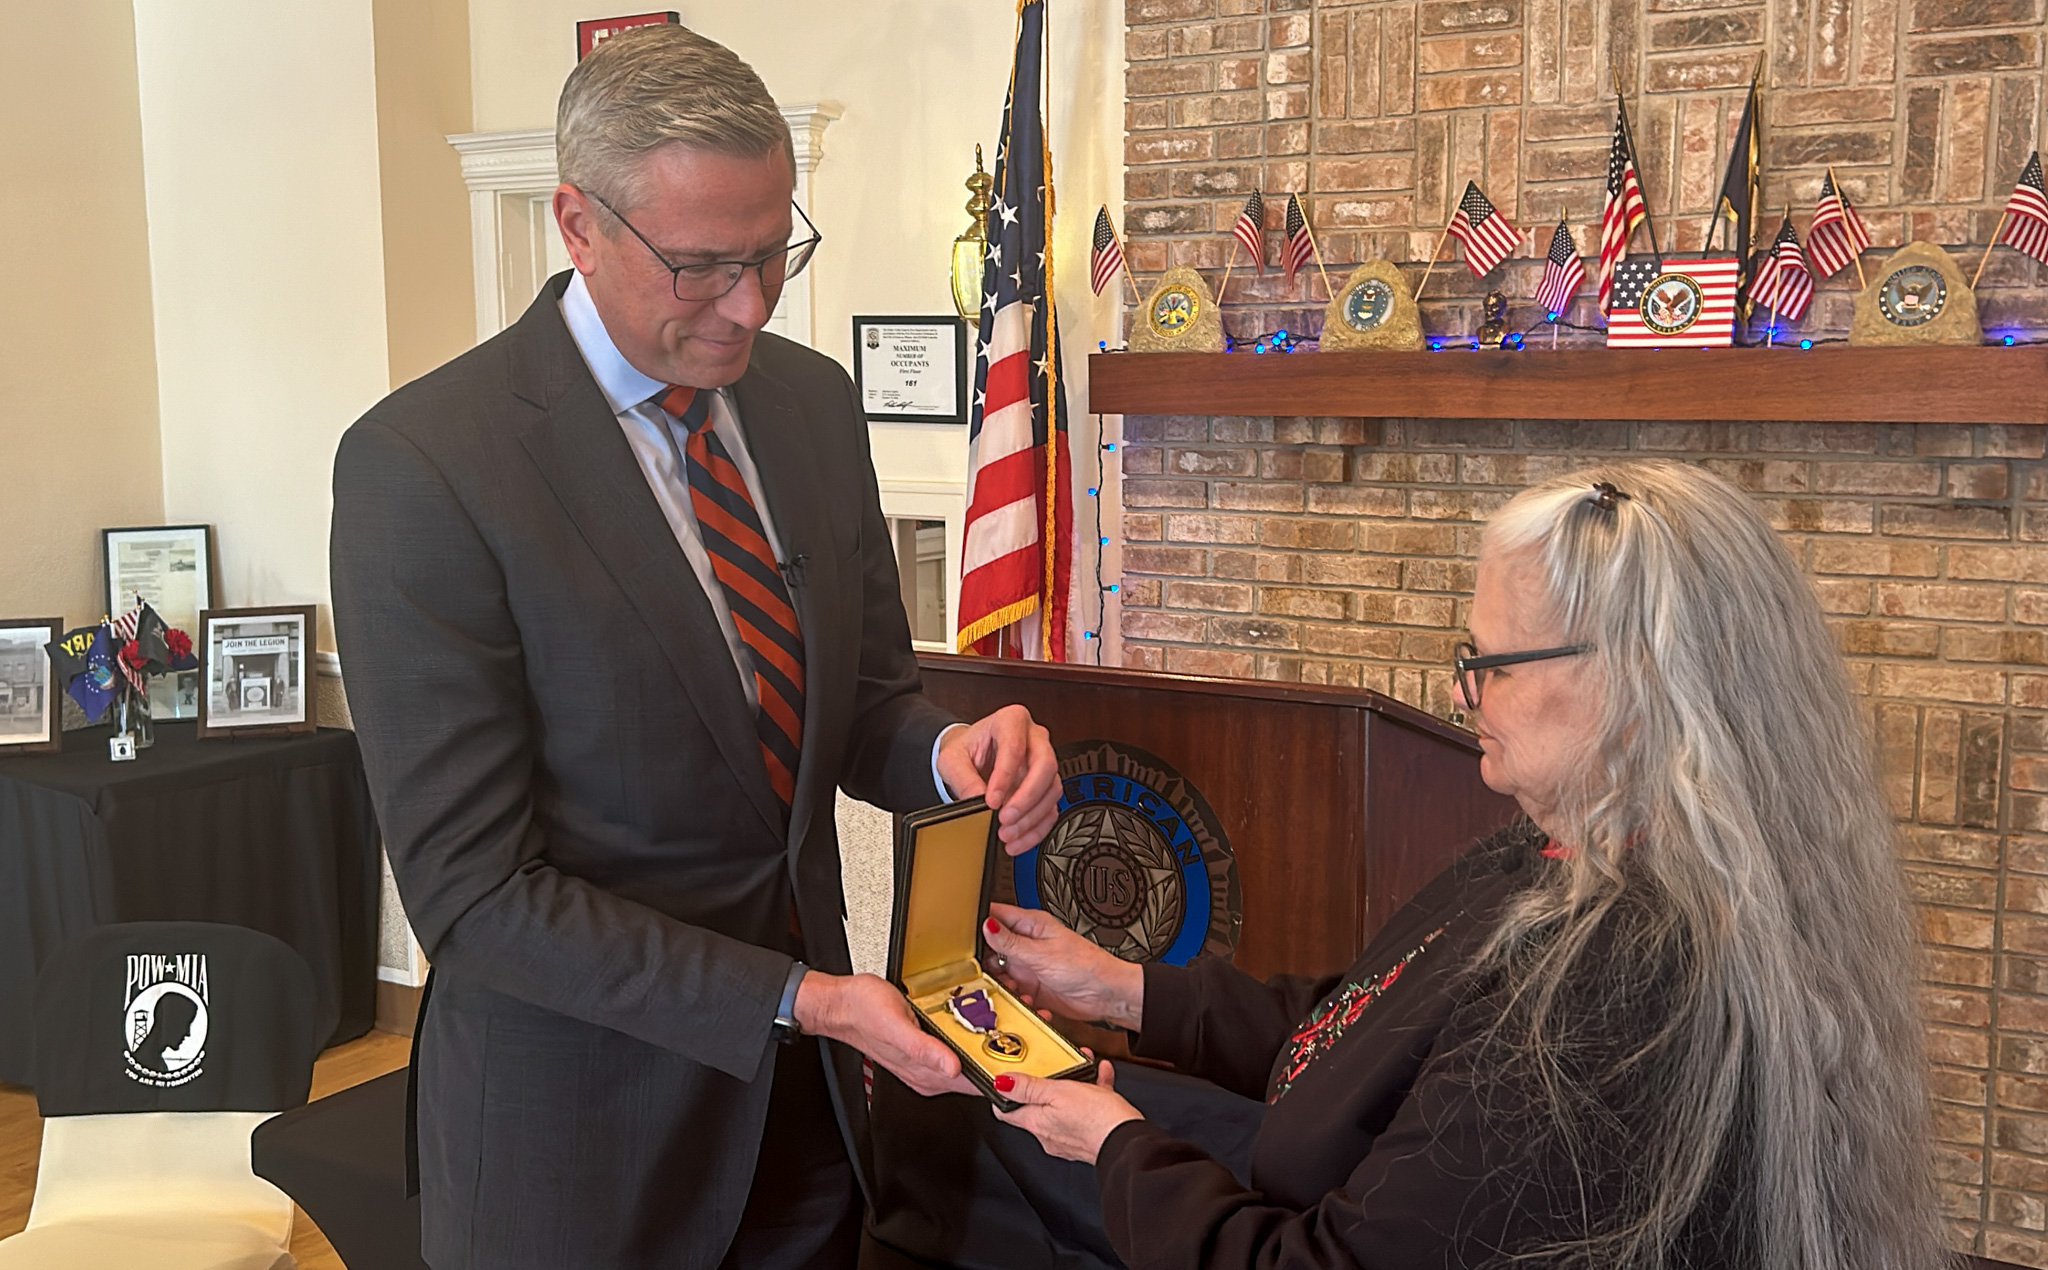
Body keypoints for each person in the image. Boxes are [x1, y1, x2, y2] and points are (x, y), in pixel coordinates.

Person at [329, 25, 1058, 1269]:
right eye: (703, 266)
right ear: (578, 224)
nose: (751, 304)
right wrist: (797, 997)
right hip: (580, 1144)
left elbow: (866, 695)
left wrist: (947, 755)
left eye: (775, 251)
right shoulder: (426, 466)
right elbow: (474, 895)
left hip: (811, 1119)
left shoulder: (812, 405)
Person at [983, 461, 1944, 1270]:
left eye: (1495, 664)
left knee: (980, 1162)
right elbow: (1351, 1034)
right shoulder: (1555, 851)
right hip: (1314, 1196)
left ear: (1640, 689)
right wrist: (1120, 989)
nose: (1460, 688)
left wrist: (1114, 1150)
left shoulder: (1619, 988)